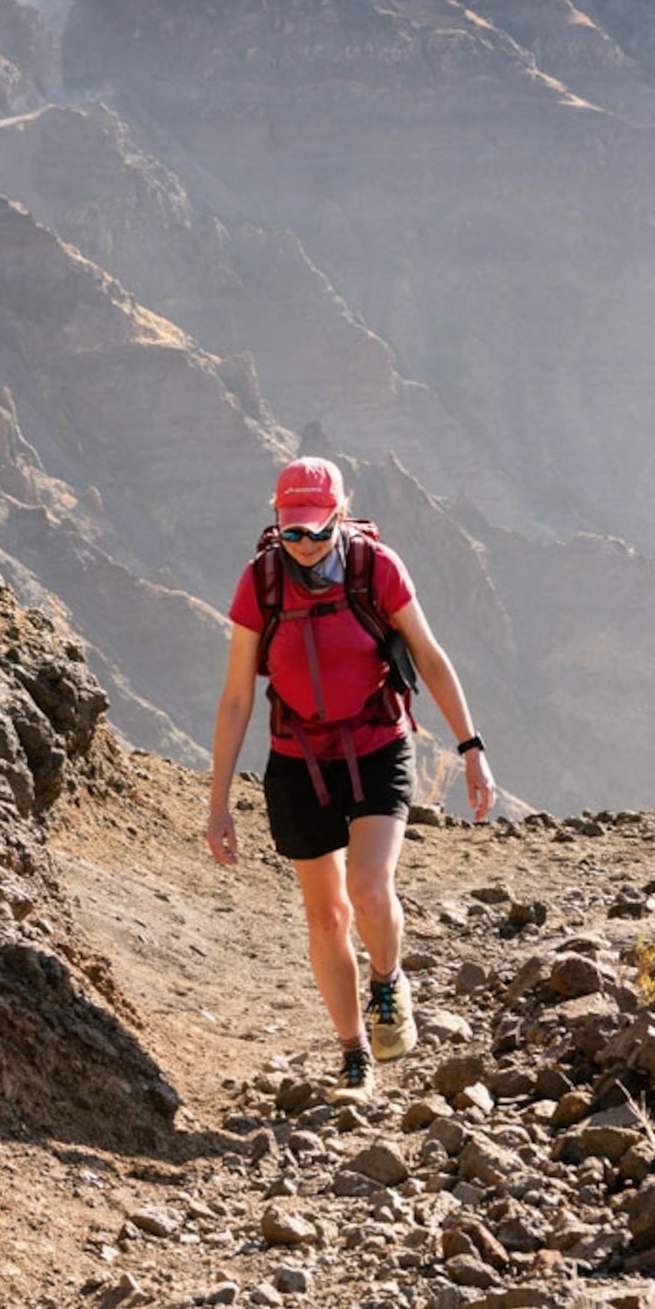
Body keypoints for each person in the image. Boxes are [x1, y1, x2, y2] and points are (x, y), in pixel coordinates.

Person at [205, 456, 496, 1093]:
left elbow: (429, 655)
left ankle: (388, 981)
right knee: (327, 918)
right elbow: (235, 698)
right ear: (276, 523)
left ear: (340, 516)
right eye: (292, 532)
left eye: (316, 530)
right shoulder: (260, 584)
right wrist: (219, 800)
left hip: (377, 745)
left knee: (368, 887)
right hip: (297, 760)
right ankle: (353, 1048)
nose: (305, 545)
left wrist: (470, 746)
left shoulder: (375, 569)